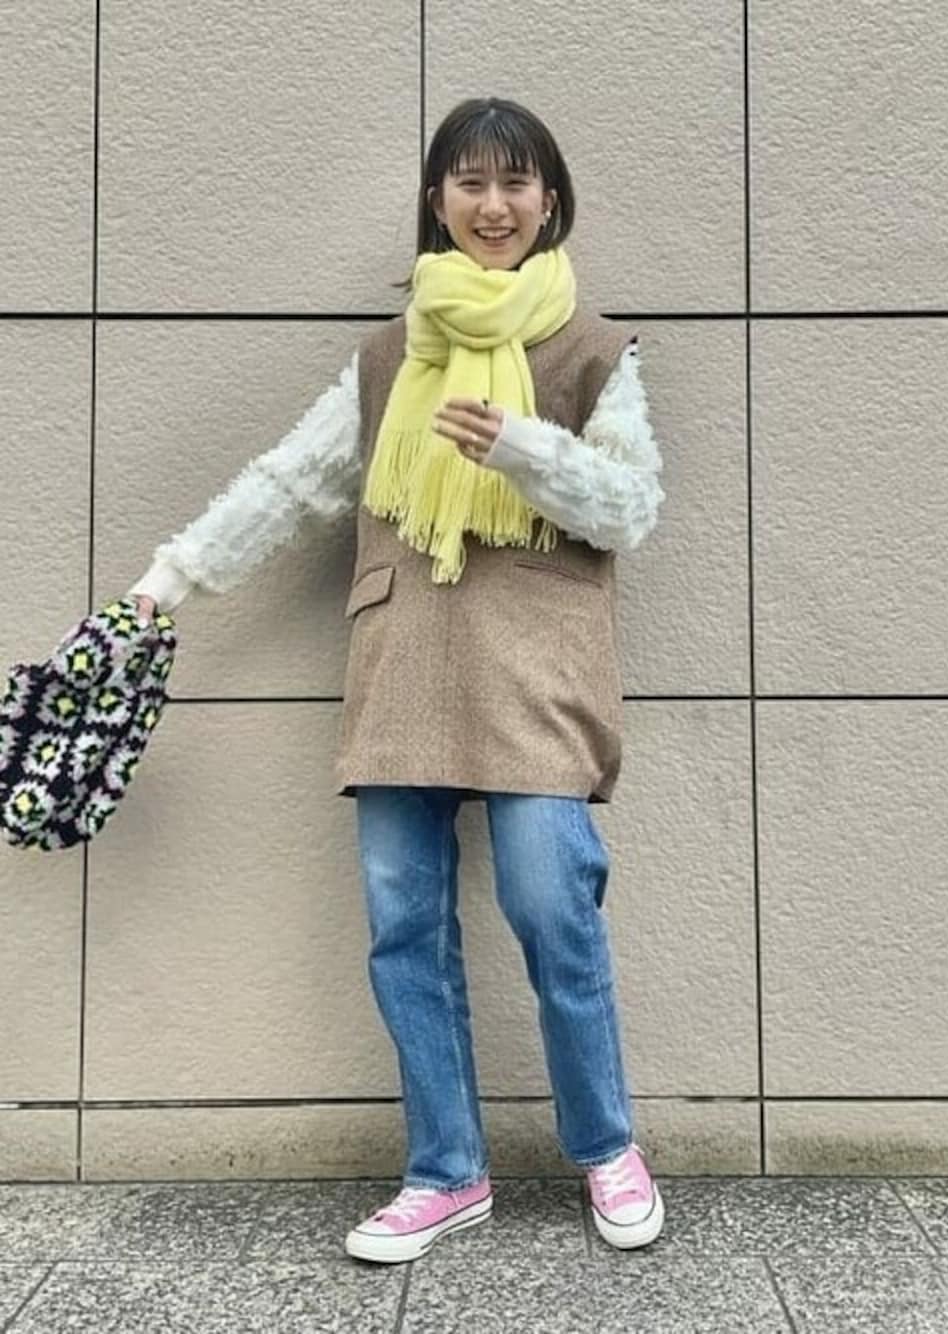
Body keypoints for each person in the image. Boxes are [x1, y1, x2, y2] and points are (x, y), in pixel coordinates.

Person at [128, 96, 666, 1265]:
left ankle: (606, 1146)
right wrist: (167, 581)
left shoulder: (591, 347)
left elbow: (629, 507)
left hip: (536, 669)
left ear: (550, 202)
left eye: (514, 183)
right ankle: (445, 1170)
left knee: (551, 906)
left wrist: (519, 446)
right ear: (437, 202)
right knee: (403, 924)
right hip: (404, 659)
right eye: (469, 182)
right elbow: (291, 483)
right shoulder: (387, 358)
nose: (492, 204)